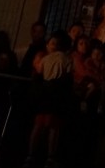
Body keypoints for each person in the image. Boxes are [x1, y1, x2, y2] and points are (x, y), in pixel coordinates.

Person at [23, 31, 72, 168]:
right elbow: (68, 77)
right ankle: (50, 157)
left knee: (38, 125)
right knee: (54, 128)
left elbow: (39, 74)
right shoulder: (67, 59)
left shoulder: (45, 59)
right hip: (57, 95)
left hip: (43, 94)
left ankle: (30, 155)